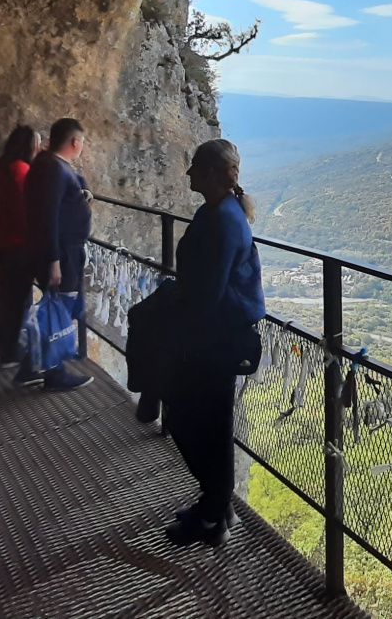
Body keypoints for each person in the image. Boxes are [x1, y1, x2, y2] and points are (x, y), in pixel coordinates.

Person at [164, 138, 264, 547]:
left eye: (194, 167)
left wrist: (184, 334)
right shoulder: (220, 212)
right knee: (205, 421)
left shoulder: (222, 219)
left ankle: (214, 515)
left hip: (216, 338)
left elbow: (209, 289)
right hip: (217, 334)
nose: (188, 173)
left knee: (198, 422)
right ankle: (217, 508)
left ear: (209, 173)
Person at [21, 117, 94, 391]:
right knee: (59, 309)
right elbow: (48, 216)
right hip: (61, 253)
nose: (83, 146)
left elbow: (68, 189)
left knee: (60, 308)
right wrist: (53, 261)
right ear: (75, 142)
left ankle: (31, 366)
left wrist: (81, 193)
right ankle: (53, 373)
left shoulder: (47, 165)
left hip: (59, 251)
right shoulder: (53, 169)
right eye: (82, 142)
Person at [0, 125, 40, 367]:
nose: (38, 148)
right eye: (36, 144)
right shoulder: (21, 169)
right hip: (19, 242)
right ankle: (10, 350)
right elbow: (24, 209)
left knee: (7, 295)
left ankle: (3, 345)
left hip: (2, 238)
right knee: (18, 299)